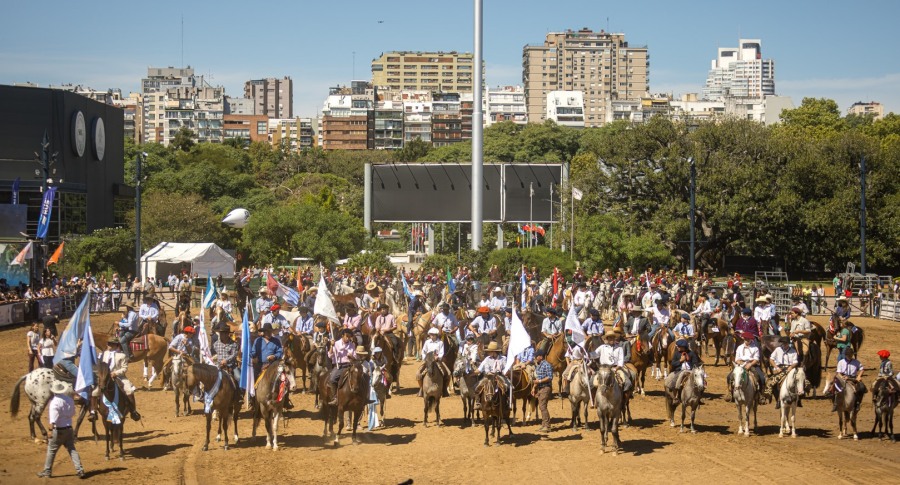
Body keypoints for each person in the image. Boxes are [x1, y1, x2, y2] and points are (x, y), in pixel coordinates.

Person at [37, 380, 84, 479]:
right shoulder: (69, 399)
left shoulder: (54, 403)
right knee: (72, 449)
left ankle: (47, 471)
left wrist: (50, 432)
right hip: (69, 429)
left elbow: (53, 421)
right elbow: (72, 413)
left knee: (51, 450)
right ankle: (80, 470)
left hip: (58, 431)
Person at [725, 331, 768, 403]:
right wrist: (742, 364)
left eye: (748, 339)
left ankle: (760, 395)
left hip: (752, 364)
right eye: (745, 339)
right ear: (743, 339)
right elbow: (737, 359)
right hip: (741, 364)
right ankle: (730, 393)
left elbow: (756, 359)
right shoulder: (739, 347)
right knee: (729, 376)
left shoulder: (755, 348)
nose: (747, 340)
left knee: (761, 378)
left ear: (751, 339)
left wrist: (750, 364)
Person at [826, 347, 866, 412]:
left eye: (851, 355)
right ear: (845, 355)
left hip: (853, 378)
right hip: (843, 377)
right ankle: (835, 403)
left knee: (861, 387)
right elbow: (838, 372)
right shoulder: (841, 362)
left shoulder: (856, 362)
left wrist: (859, 376)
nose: (850, 356)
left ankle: (858, 403)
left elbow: (862, 369)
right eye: (848, 355)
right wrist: (842, 377)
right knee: (834, 387)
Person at [416, 328, 451, 397]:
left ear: (436, 335)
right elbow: (423, 351)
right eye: (430, 335)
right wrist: (425, 358)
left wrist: (438, 357)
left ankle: (444, 389)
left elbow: (441, 352)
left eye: (433, 335)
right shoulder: (427, 342)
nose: (431, 336)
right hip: (428, 360)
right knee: (418, 374)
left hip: (437, 361)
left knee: (448, 373)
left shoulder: (440, 342)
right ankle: (421, 388)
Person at [326, 328, 357, 406]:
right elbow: (330, 355)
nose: (348, 338)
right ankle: (335, 398)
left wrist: (351, 357)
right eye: (347, 336)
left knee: (360, 376)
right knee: (332, 379)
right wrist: (331, 346)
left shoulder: (352, 345)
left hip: (349, 365)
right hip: (339, 366)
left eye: (349, 337)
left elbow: (355, 357)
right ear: (342, 335)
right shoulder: (336, 344)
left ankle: (363, 396)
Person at [473, 342, 508, 410]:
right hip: (488, 377)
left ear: (494, 352)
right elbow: (481, 369)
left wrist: (503, 372)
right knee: (477, 387)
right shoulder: (487, 359)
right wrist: (472, 373)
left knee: (507, 387)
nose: (488, 353)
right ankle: (478, 403)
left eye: (489, 351)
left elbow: (505, 368)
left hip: (500, 376)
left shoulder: (503, 359)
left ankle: (506, 402)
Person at [769, 337, 801, 409]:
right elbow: (771, 359)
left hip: (789, 368)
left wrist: (791, 367)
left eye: (786, 343)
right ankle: (776, 399)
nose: (785, 344)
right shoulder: (777, 349)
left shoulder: (793, 351)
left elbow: (795, 362)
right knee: (772, 383)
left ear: (788, 343)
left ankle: (798, 398)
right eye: (783, 343)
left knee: (800, 380)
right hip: (779, 368)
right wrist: (776, 367)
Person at [533, 349, 553, 432]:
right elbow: (537, 378)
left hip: (545, 387)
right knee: (542, 406)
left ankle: (547, 425)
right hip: (540, 388)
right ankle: (544, 424)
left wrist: (540, 381)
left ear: (541, 357)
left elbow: (550, 377)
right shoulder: (538, 366)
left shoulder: (547, 365)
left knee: (542, 406)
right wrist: (534, 388)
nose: (535, 357)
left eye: (537, 356)